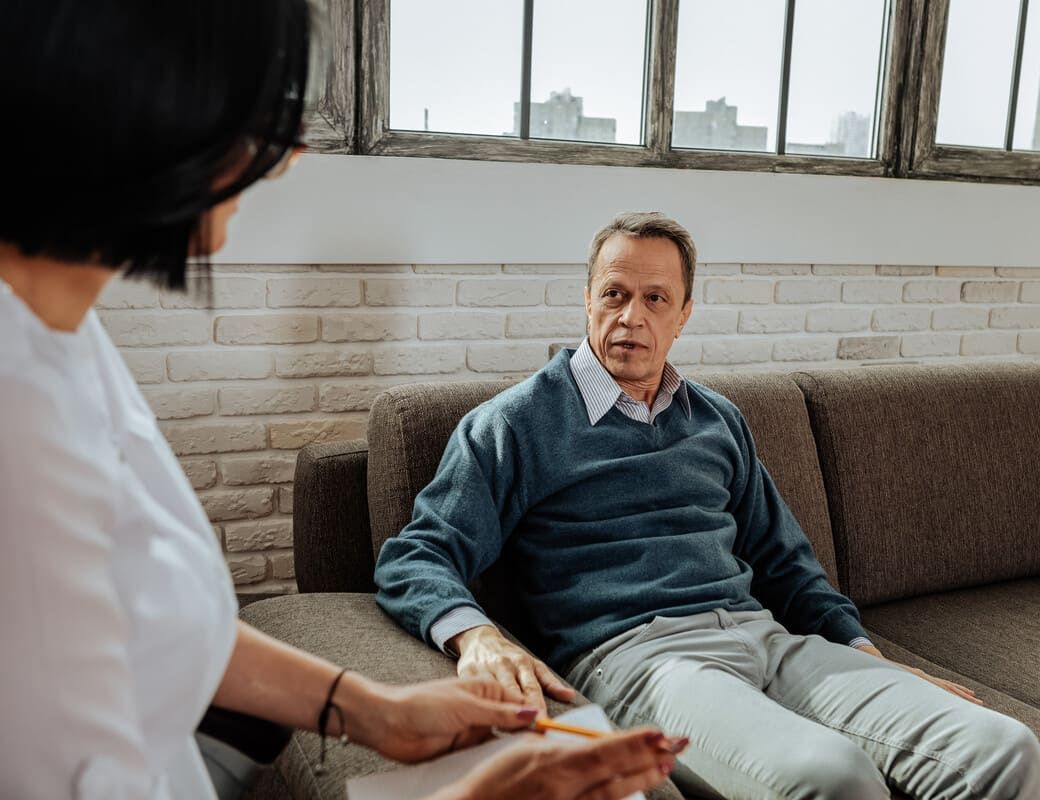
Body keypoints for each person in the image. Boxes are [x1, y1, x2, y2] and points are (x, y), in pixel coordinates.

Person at [0, 3, 682, 798]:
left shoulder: (66, 337)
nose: (289, 154)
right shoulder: (19, 428)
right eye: (257, 114)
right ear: (128, 100)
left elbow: (152, 617)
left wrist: (371, 709)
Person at [375, 211, 1040, 800]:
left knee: (1003, 749)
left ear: (684, 313)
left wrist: (862, 652)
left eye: (654, 298)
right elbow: (417, 554)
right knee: (832, 776)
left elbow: (785, 562)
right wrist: (478, 635)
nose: (630, 317)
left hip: (767, 641)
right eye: (613, 293)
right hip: (640, 661)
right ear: (587, 300)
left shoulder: (717, 420)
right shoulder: (516, 423)